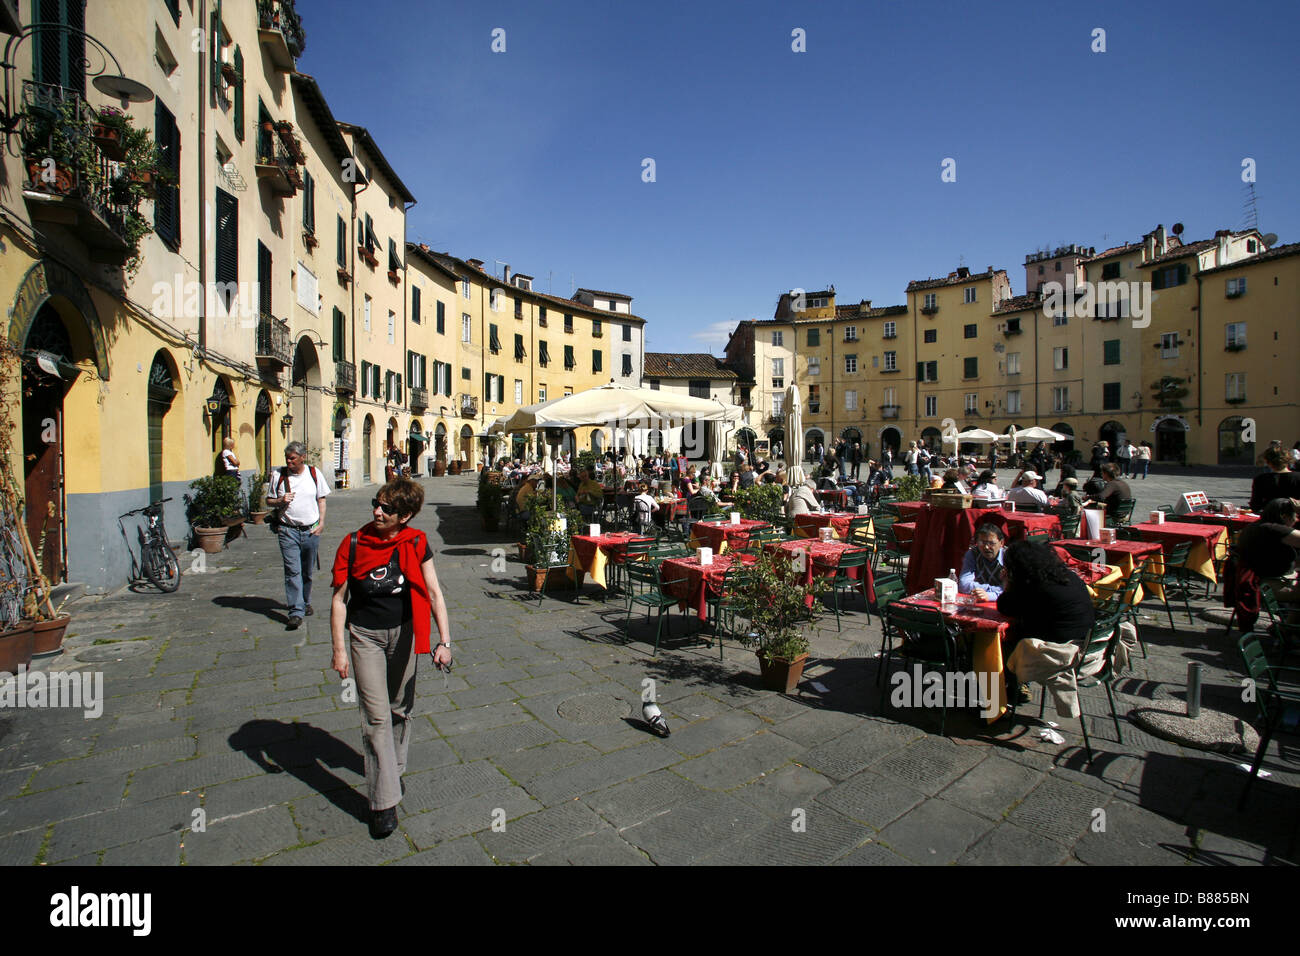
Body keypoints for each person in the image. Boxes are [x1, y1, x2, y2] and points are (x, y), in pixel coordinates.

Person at [329, 478, 451, 838]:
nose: (376, 511)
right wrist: (339, 651)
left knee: (400, 708)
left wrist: (445, 641)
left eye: (386, 508)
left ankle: (392, 771)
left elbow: (434, 593)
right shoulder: (352, 544)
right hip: (364, 635)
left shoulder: (416, 542)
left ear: (406, 516)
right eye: (376, 503)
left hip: (406, 634)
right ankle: (383, 803)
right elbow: (338, 601)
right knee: (376, 717)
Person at [997, 540, 1097, 703]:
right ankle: (1018, 684)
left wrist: (1007, 583)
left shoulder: (1034, 586)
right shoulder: (1066, 575)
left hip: (1061, 653)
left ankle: (1003, 689)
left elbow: (1005, 606)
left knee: (1001, 642)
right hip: (1088, 645)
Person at [267, 441, 331, 630]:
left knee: (307, 572)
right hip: (288, 530)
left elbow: (322, 500)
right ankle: (295, 611)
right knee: (292, 571)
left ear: (302, 457)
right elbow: (268, 500)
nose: (289, 461)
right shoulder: (278, 475)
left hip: (310, 531)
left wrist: (321, 523)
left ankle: (305, 601)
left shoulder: (314, 473)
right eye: (287, 458)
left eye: (293, 458)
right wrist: (280, 500)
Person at [1234, 498, 1300, 602]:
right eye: (1295, 516)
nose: (1296, 520)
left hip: (1261, 581)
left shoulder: (1257, 526)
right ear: (1283, 516)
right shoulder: (1273, 529)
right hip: (1272, 585)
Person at [959, 524, 1007, 601]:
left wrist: (989, 595)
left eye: (991, 543)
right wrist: (993, 590)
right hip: (977, 601)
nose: (986, 547)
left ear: (1001, 543)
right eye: (982, 543)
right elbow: (963, 585)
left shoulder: (1008, 557)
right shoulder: (972, 554)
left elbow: (1013, 590)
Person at [1249, 447, 1300, 512]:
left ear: (1268, 462)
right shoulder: (1298, 477)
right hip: (1294, 517)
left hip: (1269, 517)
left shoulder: (1261, 479)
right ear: (1288, 461)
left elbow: (1255, 505)